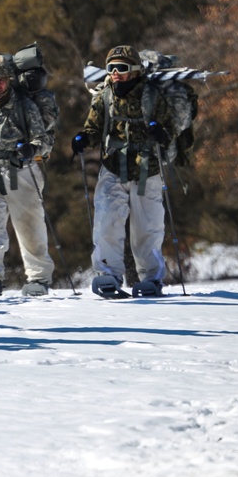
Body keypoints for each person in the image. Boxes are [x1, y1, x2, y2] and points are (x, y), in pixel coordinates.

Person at [72, 45, 176, 296]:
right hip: (112, 167)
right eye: (111, 68)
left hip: (146, 169)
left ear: (136, 70)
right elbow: (94, 127)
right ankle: (108, 275)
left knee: (147, 227)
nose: (116, 73)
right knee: (107, 221)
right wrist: (83, 139)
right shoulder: (104, 96)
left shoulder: (152, 96)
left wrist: (160, 133)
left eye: (122, 68)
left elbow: (170, 133)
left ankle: (151, 278)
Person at [0, 55, 54, 296]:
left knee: (29, 225)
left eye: (1, 81)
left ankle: (38, 278)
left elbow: (43, 141)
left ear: (9, 80)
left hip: (22, 169)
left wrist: (31, 149)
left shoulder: (24, 105)